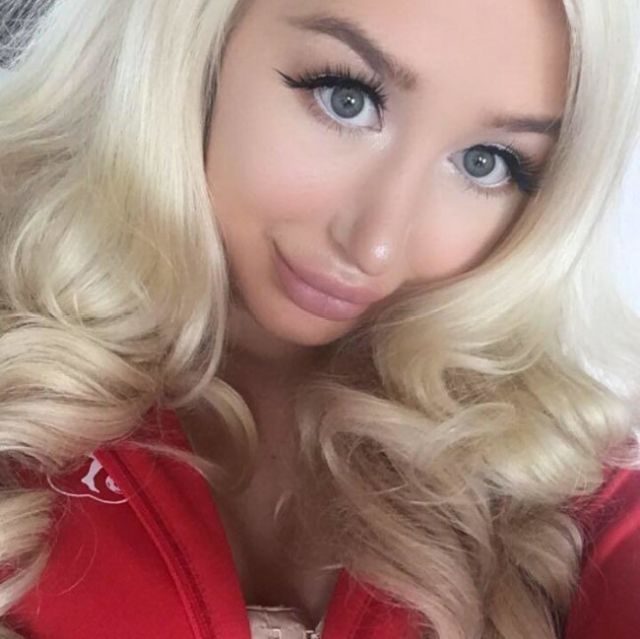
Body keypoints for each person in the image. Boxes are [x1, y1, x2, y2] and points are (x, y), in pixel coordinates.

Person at [0, 0, 638, 637]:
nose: (376, 246)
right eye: (346, 99)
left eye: (486, 162)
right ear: (200, 38)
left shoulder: (554, 472)